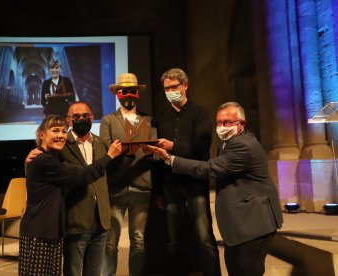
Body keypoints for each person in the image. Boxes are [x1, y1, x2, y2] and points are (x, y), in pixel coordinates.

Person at [146, 102, 284, 276]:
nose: (221, 127)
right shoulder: (229, 141)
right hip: (241, 224)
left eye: (227, 122)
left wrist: (170, 159)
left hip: (254, 222)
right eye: (219, 122)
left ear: (241, 123)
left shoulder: (243, 145)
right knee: (236, 269)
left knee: (247, 270)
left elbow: (209, 169)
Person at [19, 115, 123, 275]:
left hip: (51, 229)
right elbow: (82, 176)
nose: (61, 135)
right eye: (55, 131)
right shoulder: (43, 160)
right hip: (40, 231)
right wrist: (109, 156)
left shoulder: (49, 157)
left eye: (63, 131)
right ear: (42, 135)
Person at [154, 68, 221, 275]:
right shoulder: (161, 117)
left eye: (175, 87)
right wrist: (158, 191)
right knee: (174, 240)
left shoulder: (201, 112)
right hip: (170, 185)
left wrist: (173, 146)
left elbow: (201, 147)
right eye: (167, 88)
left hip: (194, 184)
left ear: (185, 86)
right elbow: (158, 159)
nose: (171, 91)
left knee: (204, 237)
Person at [99, 73, 157, 276]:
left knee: (138, 239)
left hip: (142, 184)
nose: (128, 94)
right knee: (110, 241)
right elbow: (106, 151)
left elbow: (156, 152)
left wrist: (152, 152)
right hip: (116, 185)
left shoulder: (149, 120)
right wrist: (124, 152)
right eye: (124, 91)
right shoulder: (108, 120)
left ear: (138, 94)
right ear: (118, 94)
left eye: (132, 90)